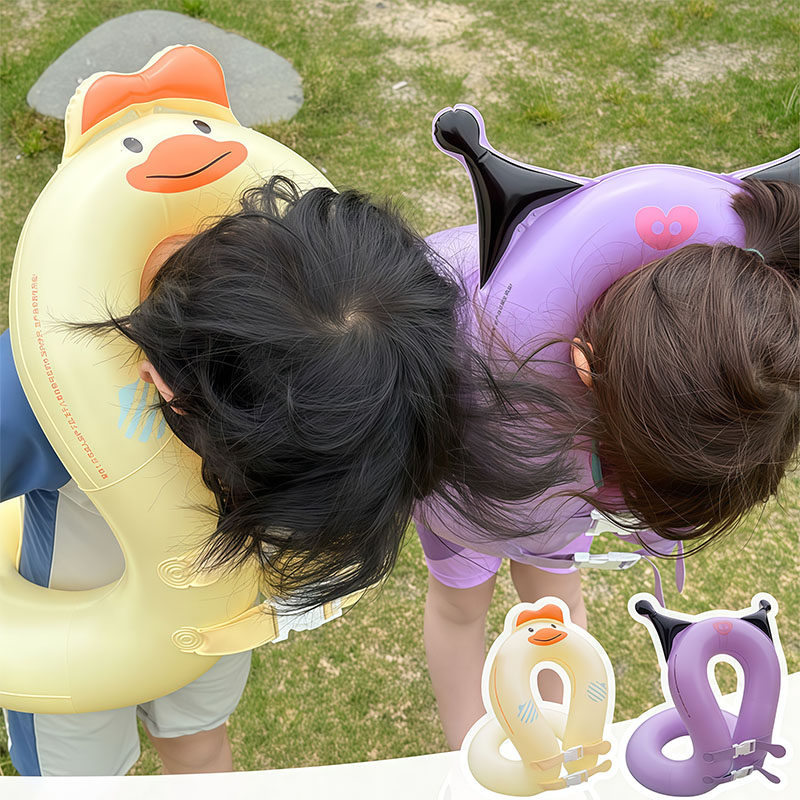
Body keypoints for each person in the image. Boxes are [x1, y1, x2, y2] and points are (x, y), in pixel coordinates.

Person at [0, 176, 573, 775]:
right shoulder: (55, 399)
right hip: (70, 637)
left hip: (209, 613)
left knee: (200, 740)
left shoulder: (331, 363)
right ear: (168, 391)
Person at [417, 178, 800, 749]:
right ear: (585, 362)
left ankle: (562, 733)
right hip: (459, 467)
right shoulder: (471, 331)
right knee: (460, 603)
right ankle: (466, 748)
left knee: (553, 597)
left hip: (567, 485)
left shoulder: (684, 338)